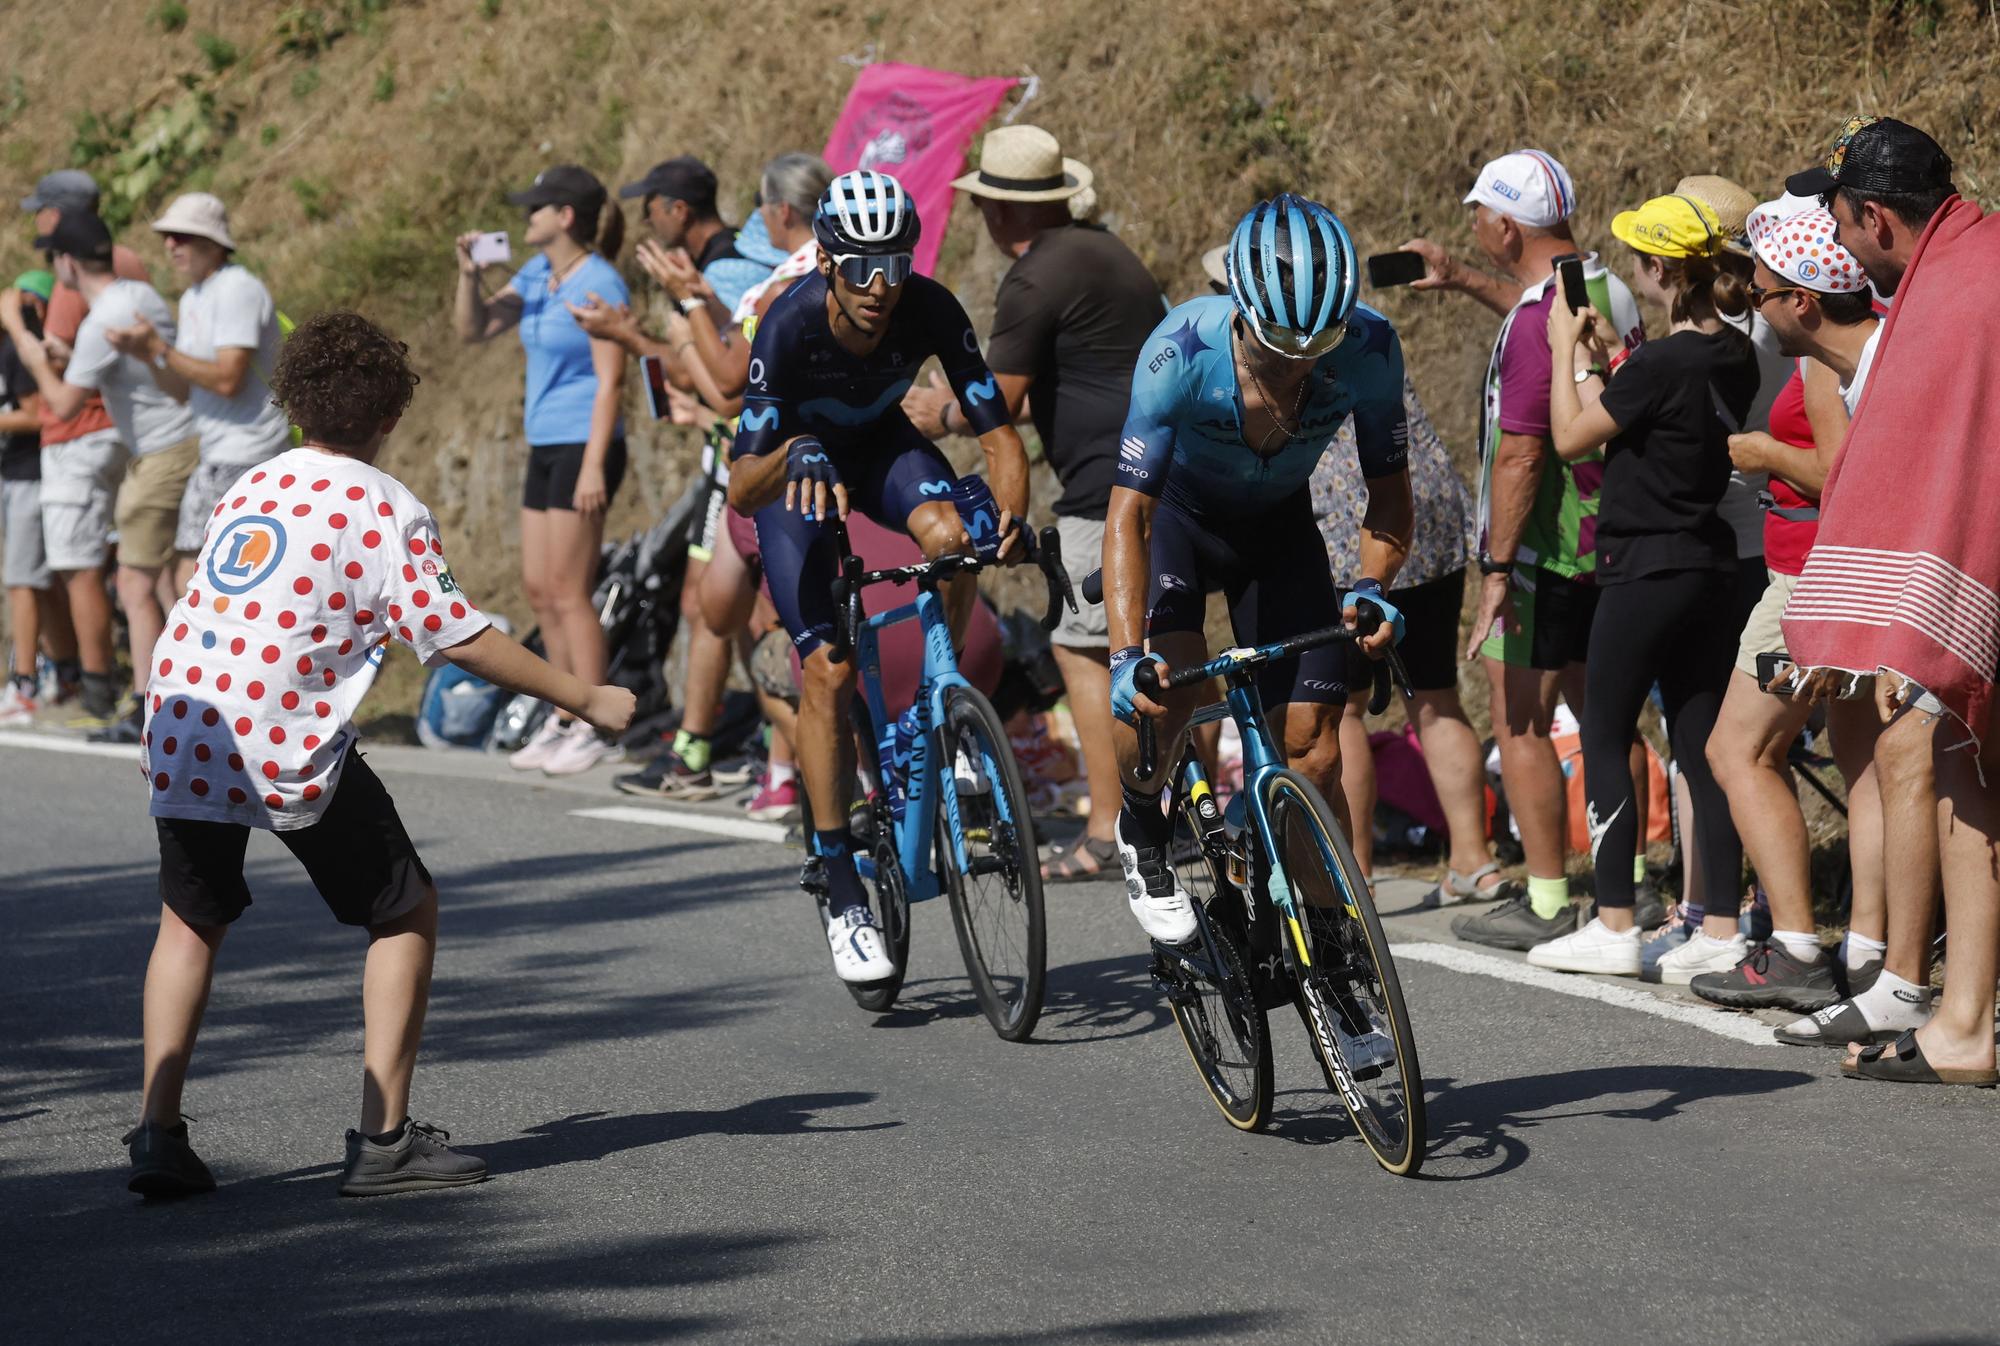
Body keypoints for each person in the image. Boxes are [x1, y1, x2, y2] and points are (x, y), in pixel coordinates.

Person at [123, 311, 636, 1199]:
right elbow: (458, 636)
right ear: (392, 417)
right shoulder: (383, 506)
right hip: (279, 731)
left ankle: (158, 1134)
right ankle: (385, 1142)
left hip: (184, 718)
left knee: (188, 922)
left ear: (292, 406)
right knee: (404, 908)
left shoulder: (254, 482)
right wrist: (585, 697)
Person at [726, 170, 1031, 985]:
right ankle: (839, 884)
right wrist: (794, 450)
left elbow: (999, 437)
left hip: (880, 451)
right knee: (825, 670)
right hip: (797, 476)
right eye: (861, 268)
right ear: (825, 260)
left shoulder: (929, 306)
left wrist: (1006, 516)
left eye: (894, 266)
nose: (879, 288)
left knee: (954, 534)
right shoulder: (787, 327)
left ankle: (942, 703)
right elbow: (740, 487)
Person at [1106, 194, 1413, 945]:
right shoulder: (1178, 351)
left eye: (1321, 339)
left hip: (1279, 531)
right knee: (1169, 696)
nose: (1301, 358)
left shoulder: (1369, 349)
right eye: (1279, 337)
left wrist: (1373, 585)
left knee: (1313, 749)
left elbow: (1391, 493)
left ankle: (1338, 948)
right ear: (1241, 309)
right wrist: (1123, 655)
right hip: (1179, 522)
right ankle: (1143, 823)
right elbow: (1129, 516)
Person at [1776, 117, 1998, 1086]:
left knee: (1964, 771)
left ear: (1874, 217)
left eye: (1840, 228)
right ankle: (1961, 1018)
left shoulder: (1947, 293)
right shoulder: (1973, 253)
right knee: (1963, 768)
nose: (1838, 249)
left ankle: (1963, 1027)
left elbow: (1926, 471)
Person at [1402, 150, 1658, 951]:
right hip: (1606, 537)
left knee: (1520, 720)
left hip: (1542, 551)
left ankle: (1547, 899)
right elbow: (1546, 317)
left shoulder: (1530, 321)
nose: (1473, 226)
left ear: (1505, 226)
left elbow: (1519, 452)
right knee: (1606, 712)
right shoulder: (1601, 288)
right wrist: (1466, 283)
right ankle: (1634, 885)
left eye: (1478, 213)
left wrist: (1496, 569)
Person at [902, 124, 1163, 883]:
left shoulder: (1035, 275)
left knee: (1083, 649)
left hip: (1103, 487)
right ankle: (1173, 819)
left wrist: (938, 416)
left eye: (986, 202)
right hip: (1164, 470)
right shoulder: (1104, 248)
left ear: (1004, 211)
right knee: (1161, 647)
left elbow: (1002, 400)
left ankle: (1112, 829)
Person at [1527, 192, 1756, 976]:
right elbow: (1635, 410)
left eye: (1637, 259)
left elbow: (1568, 438)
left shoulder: (1659, 366)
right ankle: (1720, 928)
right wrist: (1600, 361)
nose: (1630, 269)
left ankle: (1617, 921)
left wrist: (1563, 349)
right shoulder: (1731, 353)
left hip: (1642, 569)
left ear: (1661, 270)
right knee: (1700, 745)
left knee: (1603, 729)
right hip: (1709, 565)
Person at [1689, 200, 1887, 1003]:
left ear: (1802, 296)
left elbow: (1845, 483)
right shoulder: (1863, 332)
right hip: (1831, 570)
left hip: (1813, 573)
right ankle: (1871, 953)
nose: (1749, 291)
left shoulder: (1819, 355)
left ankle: (1800, 947)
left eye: (1761, 280)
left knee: (1736, 751)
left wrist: (1766, 452)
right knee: (1867, 762)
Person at [597, 154, 833, 802]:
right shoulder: (799, 271)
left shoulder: (758, 276)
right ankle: (778, 766)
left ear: (782, 211)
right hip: (774, 460)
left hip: (760, 468)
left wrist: (677, 315)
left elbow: (729, 381)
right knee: (741, 615)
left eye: (765, 206)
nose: (759, 215)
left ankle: (727, 758)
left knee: (749, 618)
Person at [1305, 362, 1509, 907]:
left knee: (1342, 709)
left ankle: (1358, 874)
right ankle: (1475, 861)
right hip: (1426, 511)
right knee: (1433, 693)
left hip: (1349, 529)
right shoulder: (1369, 330)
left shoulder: (1271, 337)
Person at [455, 164, 629, 776]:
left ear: (565, 217)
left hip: (586, 444)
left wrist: (592, 468)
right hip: (546, 442)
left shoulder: (599, 282)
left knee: (569, 589)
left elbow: (611, 382)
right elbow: (472, 329)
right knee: (539, 587)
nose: (525, 217)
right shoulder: (538, 274)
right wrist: (468, 277)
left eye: (536, 208)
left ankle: (598, 719)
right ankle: (564, 711)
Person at [0, 210, 198, 745]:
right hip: (184, 445)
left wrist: (23, 336)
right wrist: (68, 355)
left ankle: (149, 706)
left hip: (162, 455)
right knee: (172, 577)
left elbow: (61, 404)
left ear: (66, 262)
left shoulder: (100, 317)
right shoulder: (137, 297)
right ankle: (179, 696)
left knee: (137, 582)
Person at [14, 171, 155, 726]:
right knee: (135, 565)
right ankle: (140, 680)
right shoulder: (131, 261)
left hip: (77, 434)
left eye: (42, 212)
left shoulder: (73, 269)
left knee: (79, 567)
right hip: (127, 429)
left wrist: (24, 337)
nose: (38, 223)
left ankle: (96, 690)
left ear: (61, 215)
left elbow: (67, 369)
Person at [109, 193, 291, 593]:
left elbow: (228, 380)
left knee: (193, 577)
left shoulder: (237, 289)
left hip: (248, 455)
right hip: (217, 454)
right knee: (192, 578)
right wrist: (147, 355)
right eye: (167, 237)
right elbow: (181, 391)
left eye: (181, 236)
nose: (170, 245)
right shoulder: (195, 296)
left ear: (213, 243)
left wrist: (160, 349)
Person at [0, 270, 76, 724]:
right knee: (41, 584)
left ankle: (22, 683)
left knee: (21, 581)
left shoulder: (17, 352)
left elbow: (35, 415)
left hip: (31, 474)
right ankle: (65, 671)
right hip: (15, 473)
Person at [617, 155, 769, 315]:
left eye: (649, 211)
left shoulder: (721, 273)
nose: (646, 221)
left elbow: (731, 339)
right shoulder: (736, 243)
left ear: (679, 211)